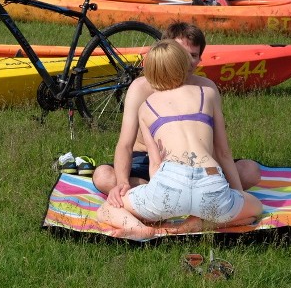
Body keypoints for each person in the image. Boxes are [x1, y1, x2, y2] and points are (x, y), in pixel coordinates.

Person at [95, 40, 264, 239]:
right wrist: (237, 195)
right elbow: (224, 152)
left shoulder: (146, 106)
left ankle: (139, 228)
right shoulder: (207, 92)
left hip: (169, 184)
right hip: (211, 180)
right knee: (256, 208)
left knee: (105, 210)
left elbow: (155, 163)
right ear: (184, 65)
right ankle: (200, 223)